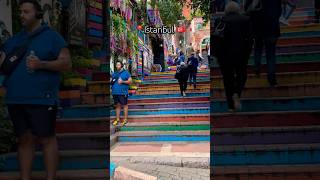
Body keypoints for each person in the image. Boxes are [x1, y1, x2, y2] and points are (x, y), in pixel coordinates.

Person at [0, 0, 71, 179]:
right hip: (16, 99)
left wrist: (42, 64)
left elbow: (66, 63)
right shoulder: (14, 40)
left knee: (47, 138)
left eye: (26, 12)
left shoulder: (52, 37)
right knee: (23, 140)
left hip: (42, 98)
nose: (21, 15)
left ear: (38, 14)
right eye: (20, 12)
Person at [214, 1, 253, 112]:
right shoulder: (245, 20)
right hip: (241, 54)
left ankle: (231, 106)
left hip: (225, 57)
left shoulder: (220, 21)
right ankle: (237, 92)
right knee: (242, 75)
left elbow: (216, 40)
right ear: (238, 9)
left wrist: (217, 56)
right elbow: (250, 39)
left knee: (228, 80)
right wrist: (247, 53)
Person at [245, 0, 282, 87]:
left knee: (258, 47)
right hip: (272, 28)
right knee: (271, 55)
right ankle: (272, 80)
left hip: (258, 27)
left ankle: (257, 66)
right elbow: (279, 11)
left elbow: (247, 11)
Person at [111, 61, 132, 126]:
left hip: (123, 92)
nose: (117, 66)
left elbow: (130, 81)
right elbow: (112, 81)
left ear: (121, 65)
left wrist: (123, 81)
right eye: (116, 65)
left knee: (124, 105)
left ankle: (125, 120)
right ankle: (117, 119)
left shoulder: (126, 73)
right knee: (117, 105)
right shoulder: (114, 73)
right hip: (115, 92)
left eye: (118, 65)